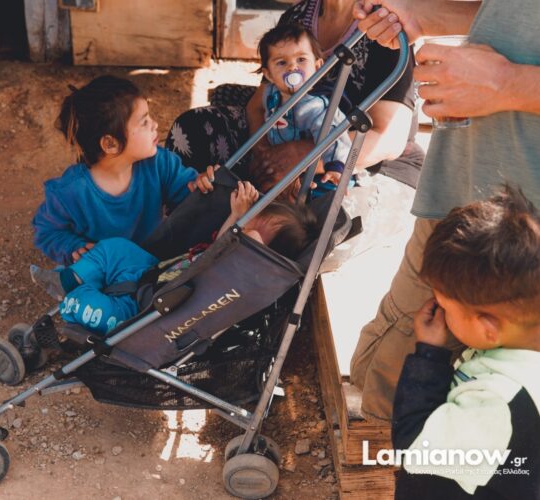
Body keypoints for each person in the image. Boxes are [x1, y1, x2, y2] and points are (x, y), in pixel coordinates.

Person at [350, 0, 540, 422]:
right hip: (461, 193)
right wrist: (427, 16)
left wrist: (510, 84)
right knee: (381, 375)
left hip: (528, 235)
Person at [166, 0, 422, 270]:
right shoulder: (297, 17)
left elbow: (387, 140)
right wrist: (262, 152)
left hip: (358, 164)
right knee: (193, 129)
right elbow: (258, 103)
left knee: (317, 233)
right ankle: (176, 245)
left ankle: (246, 258)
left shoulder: (384, 28)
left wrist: (305, 157)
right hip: (281, 134)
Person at [391, 186, 540, 499]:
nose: (439, 311)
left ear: (488, 328)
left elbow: (414, 446)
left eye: (446, 306)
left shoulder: (495, 404)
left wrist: (428, 356)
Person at [36, 181, 319, 334]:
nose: (247, 225)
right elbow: (218, 247)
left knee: (94, 305)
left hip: (148, 307)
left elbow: (228, 252)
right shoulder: (231, 244)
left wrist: (247, 230)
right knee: (117, 249)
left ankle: (77, 294)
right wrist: (237, 215)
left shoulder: (246, 269)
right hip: (154, 273)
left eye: (255, 228)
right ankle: (68, 280)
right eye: (257, 216)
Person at [32, 75, 214, 266]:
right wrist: (73, 247)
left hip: (154, 261)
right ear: (110, 144)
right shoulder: (72, 192)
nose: (155, 124)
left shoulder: (160, 163)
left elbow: (187, 197)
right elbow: (46, 231)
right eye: (144, 122)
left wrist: (201, 185)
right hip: (108, 271)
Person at [255, 21, 352, 197]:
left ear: (317, 67)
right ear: (268, 74)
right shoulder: (270, 94)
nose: (292, 67)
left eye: (301, 60)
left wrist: (335, 166)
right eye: (281, 62)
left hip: (320, 176)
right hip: (282, 171)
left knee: (314, 198)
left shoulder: (314, 107)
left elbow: (333, 134)